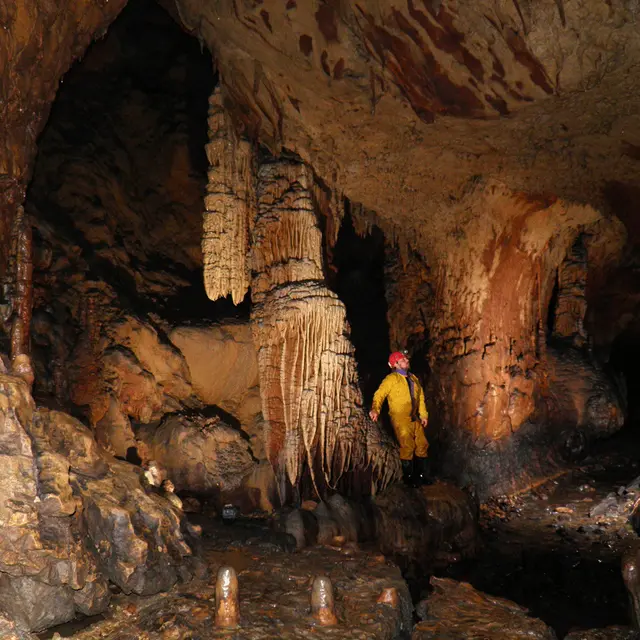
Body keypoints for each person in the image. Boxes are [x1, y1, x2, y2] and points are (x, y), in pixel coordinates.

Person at [369, 351, 430, 486]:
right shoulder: (391, 379)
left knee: (422, 444)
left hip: (414, 417)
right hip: (400, 418)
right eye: (403, 360)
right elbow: (379, 395)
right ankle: (408, 479)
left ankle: (421, 476)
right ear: (396, 364)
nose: (406, 360)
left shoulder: (413, 378)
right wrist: (375, 409)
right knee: (407, 446)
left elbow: (420, 398)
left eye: (406, 359)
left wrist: (423, 415)